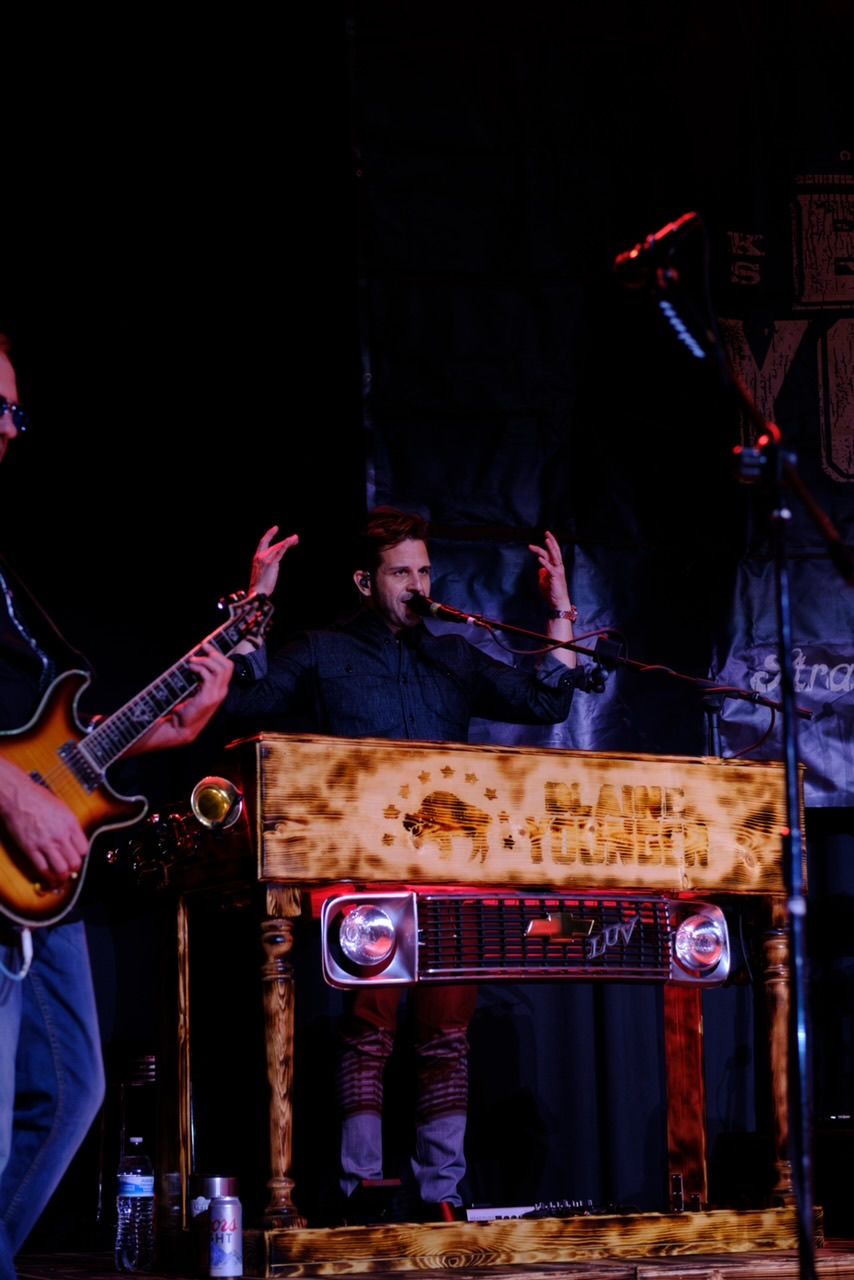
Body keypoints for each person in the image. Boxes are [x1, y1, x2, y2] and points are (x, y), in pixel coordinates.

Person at [227, 506, 582, 1221]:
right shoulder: (324, 649)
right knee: (369, 1031)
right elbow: (246, 698)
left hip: (450, 874)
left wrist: (560, 611)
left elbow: (546, 700)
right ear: (366, 581)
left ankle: (441, 1190)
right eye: (401, 572)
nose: (418, 584)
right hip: (364, 871)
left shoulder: (452, 655)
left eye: (424, 571)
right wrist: (257, 604)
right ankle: (360, 1185)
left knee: (447, 1037)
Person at [0, 334, 235, 1280]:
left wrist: (159, 735)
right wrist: (11, 797)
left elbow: (47, 738)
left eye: (18, 410)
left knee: (70, 1096)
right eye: (2, 405)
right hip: (12, 835)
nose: (14, 428)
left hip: (38, 874)